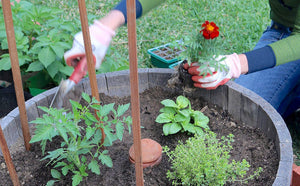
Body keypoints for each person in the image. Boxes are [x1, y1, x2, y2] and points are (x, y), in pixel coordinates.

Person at [64, 0, 300, 119]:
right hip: (284, 30)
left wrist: (238, 63)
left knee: (249, 111)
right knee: (245, 107)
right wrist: (106, 27)